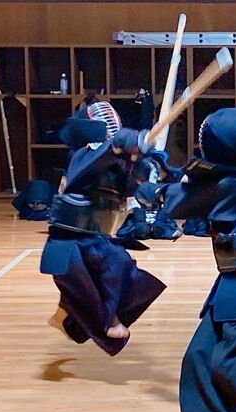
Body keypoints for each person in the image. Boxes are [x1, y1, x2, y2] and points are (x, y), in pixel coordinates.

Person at [136, 108, 236, 412]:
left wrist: (148, 181)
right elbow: (202, 175)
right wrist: (164, 165)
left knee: (229, 355)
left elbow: (175, 202)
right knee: (201, 351)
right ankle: (230, 410)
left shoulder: (232, 184)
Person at [40, 101, 166, 356]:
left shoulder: (116, 163)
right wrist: (119, 145)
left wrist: (150, 167)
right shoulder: (83, 156)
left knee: (92, 282)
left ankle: (61, 318)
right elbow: (97, 160)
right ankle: (109, 319)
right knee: (109, 269)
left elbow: (132, 182)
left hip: (95, 236)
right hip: (70, 238)